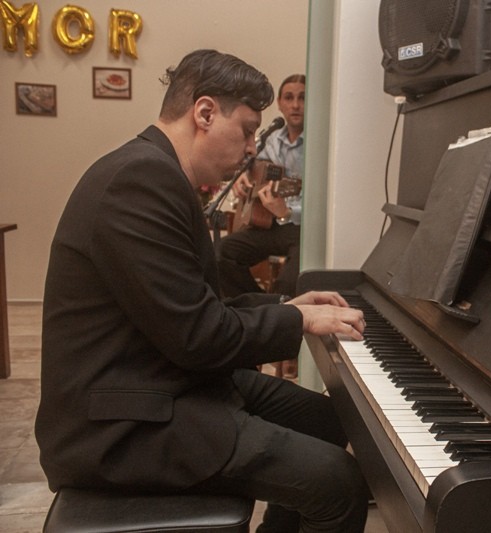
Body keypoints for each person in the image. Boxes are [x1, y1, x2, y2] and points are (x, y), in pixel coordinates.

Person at [34, 50, 369, 533]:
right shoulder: (139, 179)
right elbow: (198, 336)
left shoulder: (154, 171)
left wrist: (285, 304)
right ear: (205, 113)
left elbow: (193, 307)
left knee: (328, 421)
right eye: (247, 130)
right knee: (339, 482)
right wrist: (297, 321)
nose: (252, 148)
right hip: (121, 425)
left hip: (161, 377)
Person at [218, 74, 306, 299]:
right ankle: (258, 304)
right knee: (219, 253)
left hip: (301, 229)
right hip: (267, 224)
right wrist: (241, 174)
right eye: (289, 97)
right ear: (280, 103)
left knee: (288, 283)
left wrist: (287, 212)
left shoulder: (320, 143)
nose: (296, 105)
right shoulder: (271, 139)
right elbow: (247, 160)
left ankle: (277, 309)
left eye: (303, 98)